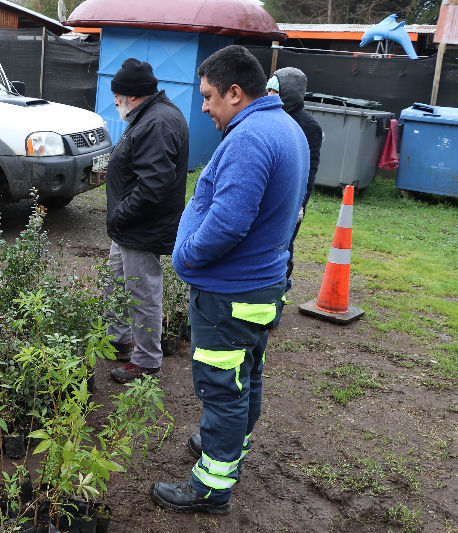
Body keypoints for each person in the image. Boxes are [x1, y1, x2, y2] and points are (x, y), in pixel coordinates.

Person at [150, 45, 309, 514]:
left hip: (230, 294)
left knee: (222, 387)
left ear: (235, 93)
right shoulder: (287, 129)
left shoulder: (250, 139)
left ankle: (211, 487)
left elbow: (227, 223)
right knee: (246, 375)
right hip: (261, 288)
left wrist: (188, 257)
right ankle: (229, 446)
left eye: (208, 96)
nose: (203, 106)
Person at [101, 58, 189, 384]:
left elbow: (153, 185)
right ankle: (119, 339)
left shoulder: (157, 123)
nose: (114, 103)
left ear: (132, 96)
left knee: (141, 293)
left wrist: (121, 215)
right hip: (128, 227)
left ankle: (147, 361)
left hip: (140, 227)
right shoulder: (150, 115)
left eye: (116, 97)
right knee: (114, 284)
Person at [267, 67, 324, 291]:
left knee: (282, 248)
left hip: (291, 201)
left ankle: (279, 292)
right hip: (269, 196)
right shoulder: (266, 117)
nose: (269, 95)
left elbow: (309, 170)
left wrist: (300, 204)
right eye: (268, 89)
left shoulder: (308, 126)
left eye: (275, 90)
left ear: (288, 93)